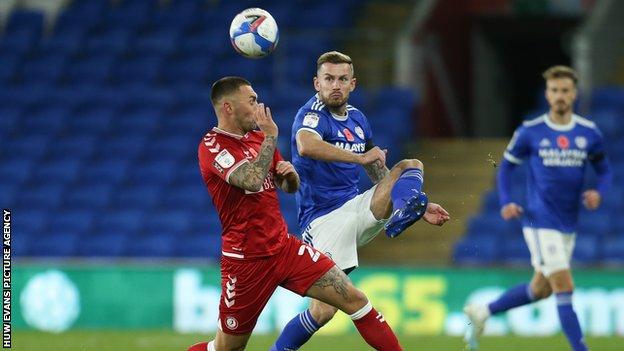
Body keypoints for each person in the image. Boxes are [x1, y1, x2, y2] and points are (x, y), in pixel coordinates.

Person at [188, 76, 405, 351]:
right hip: (246, 261)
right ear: (228, 107)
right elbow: (252, 180)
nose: (259, 106)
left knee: (355, 300)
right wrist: (270, 137)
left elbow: (288, 185)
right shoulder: (212, 145)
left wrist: (290, 177)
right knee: (227, 348)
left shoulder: (257, 138)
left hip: (284, 248)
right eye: (252, 100)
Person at [271, 51, 450, 351]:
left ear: (353, 83)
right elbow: (307, 145)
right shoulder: (311, 114)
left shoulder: (358, 119)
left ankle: (406, 209)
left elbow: (376, 169)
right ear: (317, 83)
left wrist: (415, 202)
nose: (335, 85)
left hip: (357, 208)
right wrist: (359, 156)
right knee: (323, 311)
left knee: (409, 166)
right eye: (329, 79)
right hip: (324, 220)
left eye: (342, 79)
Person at [463, 65, 613, 351]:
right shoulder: (531, 132)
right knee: (564, 284)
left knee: (541, 289)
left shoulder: (588, 132)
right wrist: (506, 200)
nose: (560, 96)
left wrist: (600, 192)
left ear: (574, 94)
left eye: (565, 91)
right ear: (547, 94)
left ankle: (483, 312)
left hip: (568, 222)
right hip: (539, 220)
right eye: (555, 90)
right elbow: (506, 169)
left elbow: (605, 171)